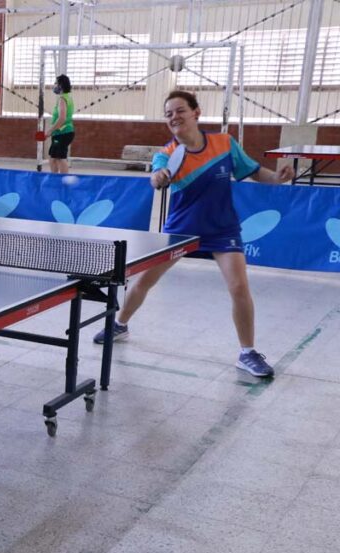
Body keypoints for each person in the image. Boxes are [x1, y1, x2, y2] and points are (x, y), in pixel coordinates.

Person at [93, 90, 294, 378]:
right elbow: (156, 176)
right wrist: (158, 177)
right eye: (168, 114)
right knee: (145, 280)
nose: (174, 117)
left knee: (239, 287)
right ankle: (120, 324)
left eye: (180, 111)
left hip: (222, 228)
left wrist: (276, 178)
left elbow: (253, 171)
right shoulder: (167, 154)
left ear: (196, 112)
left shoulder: (224, 143)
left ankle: (247, 352)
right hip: (181, 230)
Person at [40, 74, 74, 173]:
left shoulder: (62, 99)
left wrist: (50, 130)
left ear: (61, 85)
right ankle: (55, 178)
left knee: (59, 158)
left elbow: (62, 118)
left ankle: (63, 179)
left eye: (55, 83)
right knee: (53, 158)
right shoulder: (68, 97)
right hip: (61, 133)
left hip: (62, 133)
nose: (54, 85)